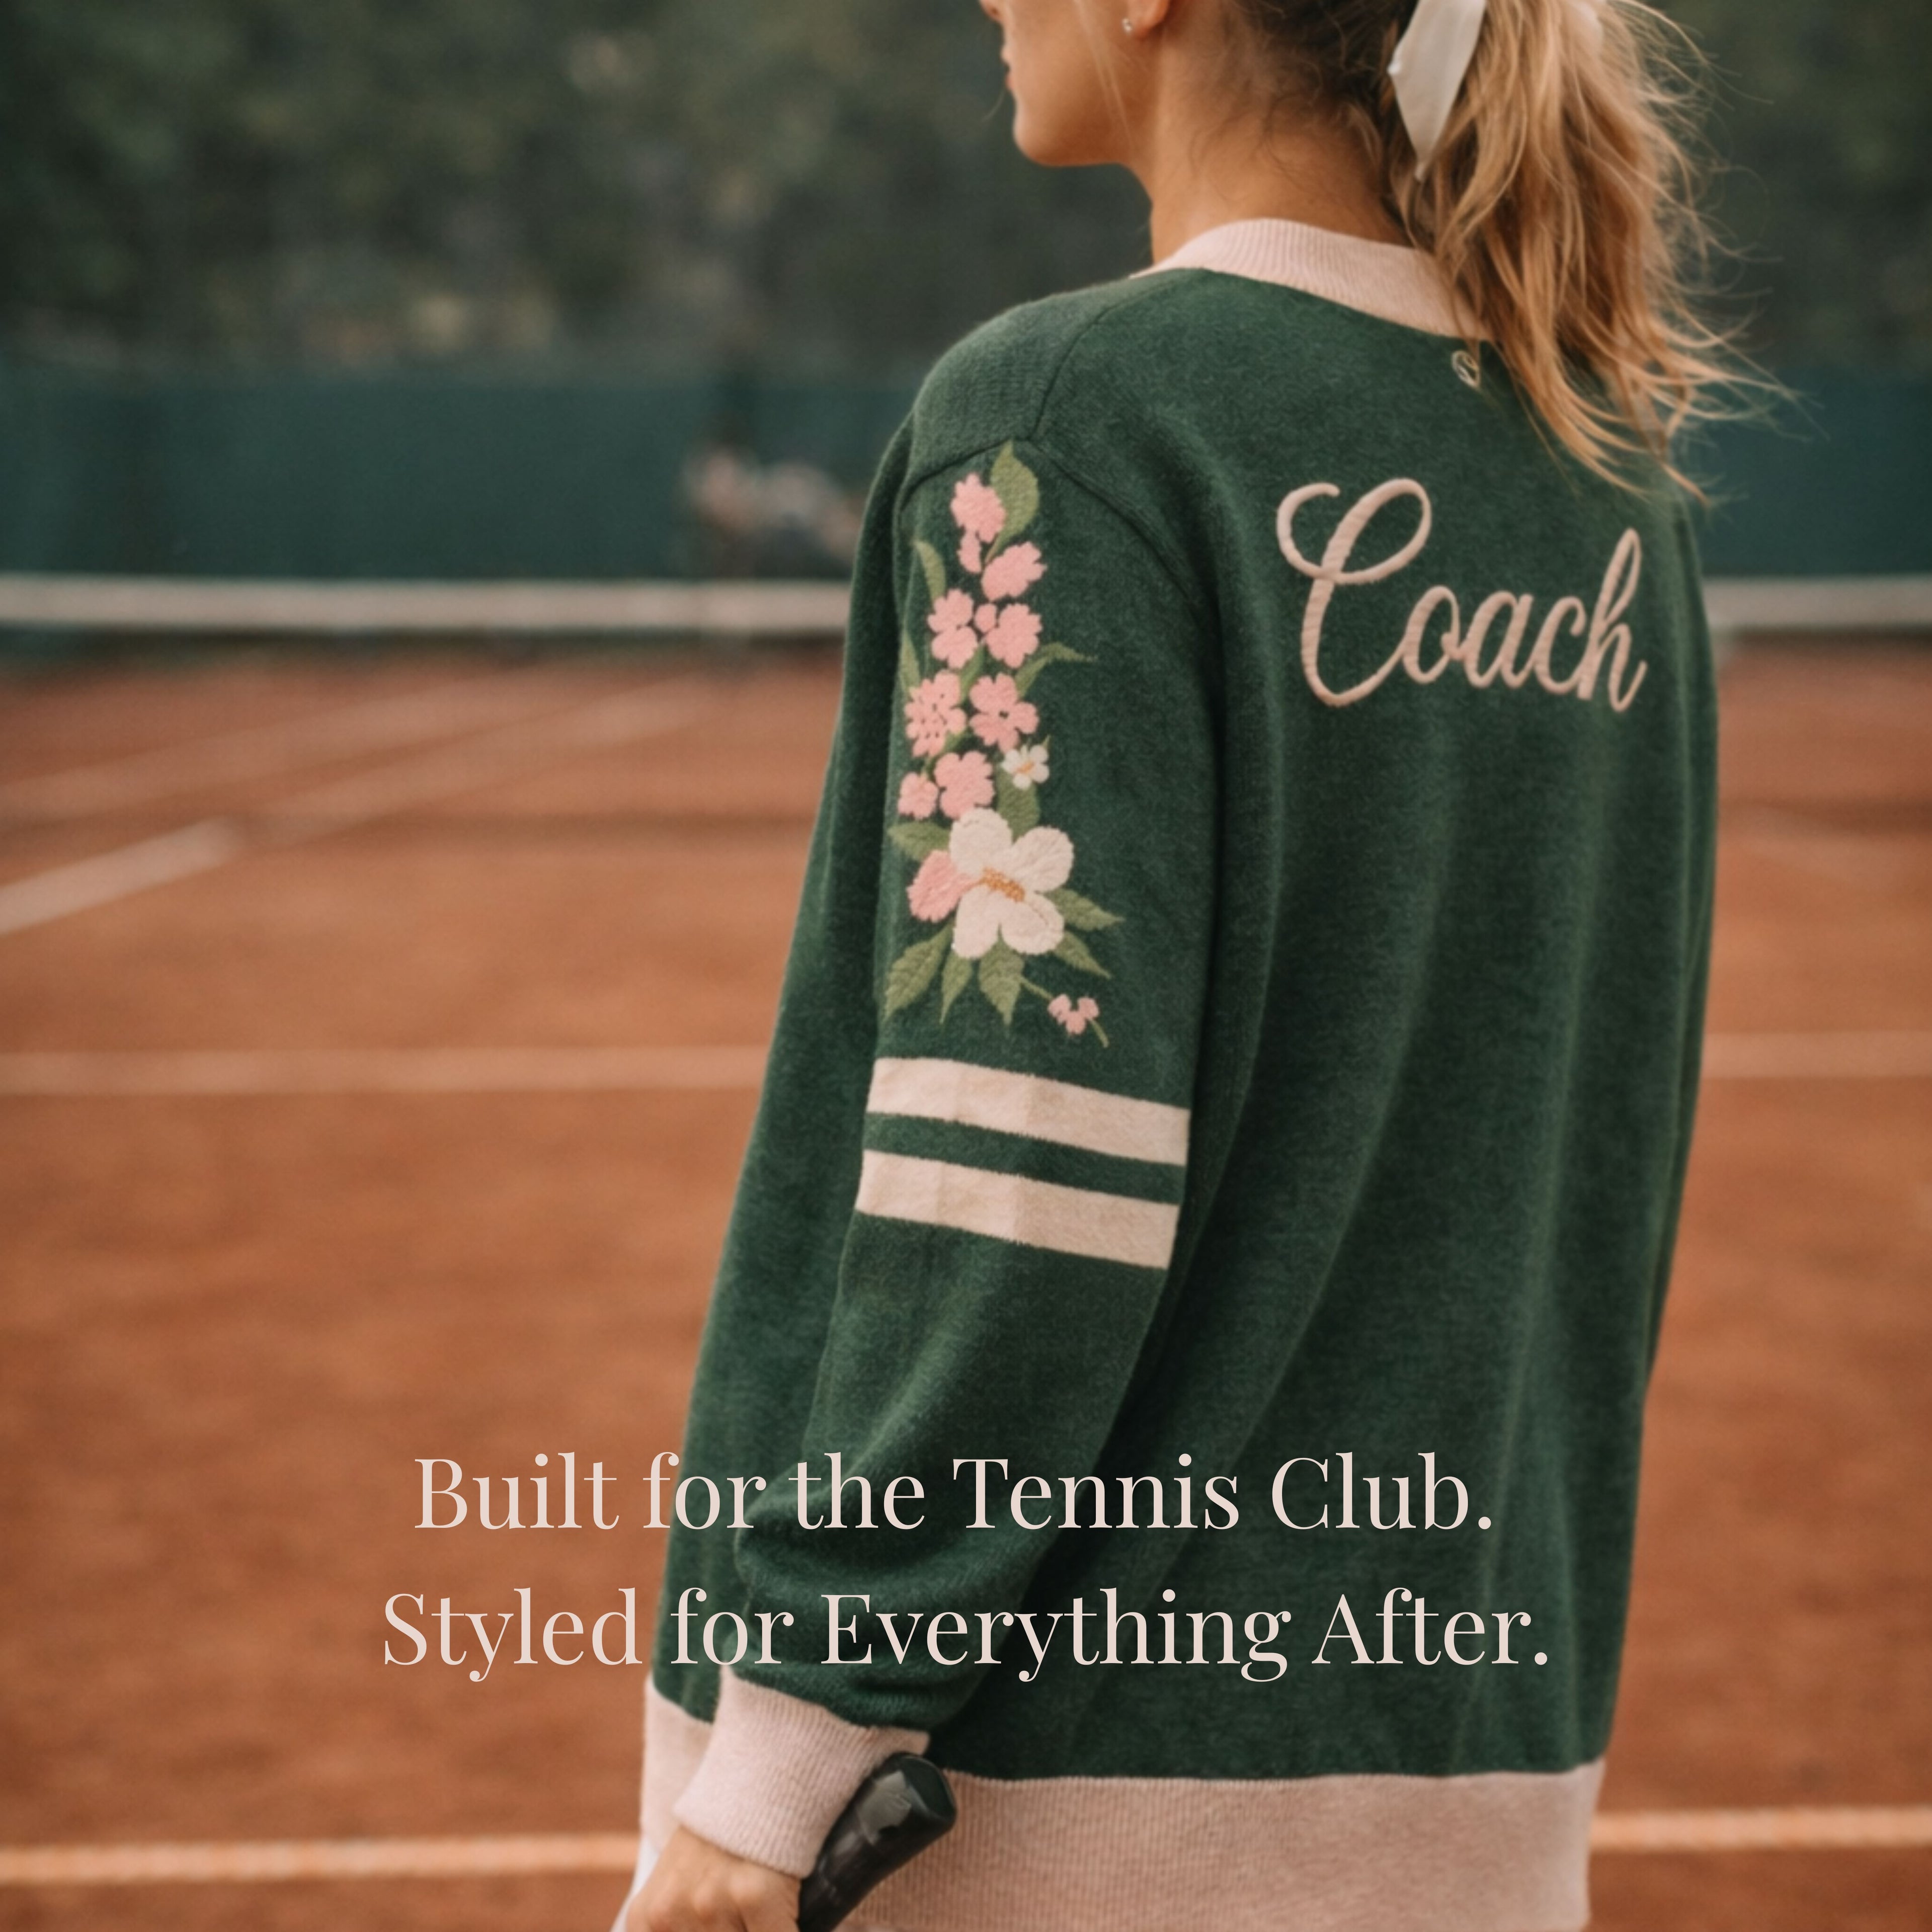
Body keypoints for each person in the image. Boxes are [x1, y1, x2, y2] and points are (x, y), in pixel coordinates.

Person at [621, 0, 1730, 1926]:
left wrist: (785, 1755)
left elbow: (1024, 1159)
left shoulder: (1060, 424)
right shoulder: (1603, 470)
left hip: (1031, 1813)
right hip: (1477, 1779)